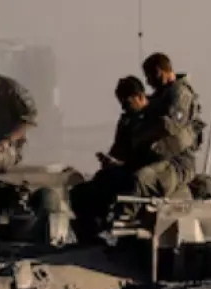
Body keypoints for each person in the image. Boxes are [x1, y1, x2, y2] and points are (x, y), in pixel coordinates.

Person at [69, 76, 153, 241]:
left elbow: (151, 157)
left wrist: (122, 164)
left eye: (127, 103)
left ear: (140, 97)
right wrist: (108, 160)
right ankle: (90, 236)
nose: (124, 107)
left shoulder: (153, 120)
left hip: (142, 175)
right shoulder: (127, 121)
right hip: (122, 170)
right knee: (80, 193)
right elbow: (118, 150)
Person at [139, 51, 203, 195]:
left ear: (159, 72)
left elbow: (171, 125)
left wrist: (145, 131)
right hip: (158, 158)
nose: (148, 82)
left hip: (178, 161)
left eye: (150, 76)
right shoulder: (159, 96)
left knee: (143, 180)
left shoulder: (180, 93)